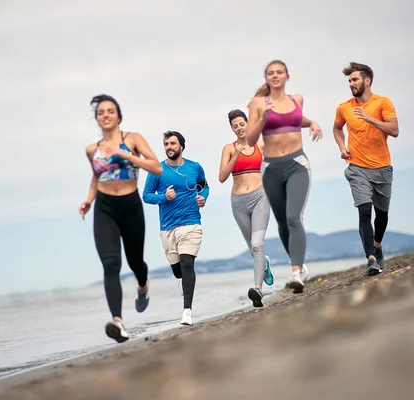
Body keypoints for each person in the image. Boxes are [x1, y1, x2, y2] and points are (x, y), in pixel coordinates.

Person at [78, 94, 163, 343]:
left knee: (135, 261)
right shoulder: (91, 149)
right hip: (105, 207)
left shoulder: (132, 139)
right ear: (97, 118)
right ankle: (118, 322)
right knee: (111, 263)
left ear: (118, 115)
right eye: (101, 112)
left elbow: (156, 167)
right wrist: (89, 199)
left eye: (110, 111)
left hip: (130, 205)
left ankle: (143, 284)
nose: (105, 115)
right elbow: (97, 176)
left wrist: (123, 154)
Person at [245, 60, 323, 294]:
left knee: (293, 217)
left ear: (287, 76)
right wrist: (262, 118)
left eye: (279, 72)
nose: (275, 76)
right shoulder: (258, 103)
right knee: (281, 222)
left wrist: (313, 122)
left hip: (297, 164)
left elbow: (296, 120)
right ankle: (297, 262)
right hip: (271, 168)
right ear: (266, 78)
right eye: (271, 73)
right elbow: (250, 139)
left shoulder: (296, 99)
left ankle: (296, 272)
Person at [333, 62, 399, 276]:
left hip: (382, 168)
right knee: (364, 211)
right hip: (357, 167)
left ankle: (377, 246)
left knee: (382, 215)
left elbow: (395, 130)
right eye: (349, 81)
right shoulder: (344, 107)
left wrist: (371, 119)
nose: (351, 84)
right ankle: (371, 259)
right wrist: (342, 147)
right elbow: (337, 128)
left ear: (367, 80)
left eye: (354, 79)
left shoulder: (383, 102)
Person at [142, 131, 209, 326]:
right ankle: (185, 286)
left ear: (181, 146)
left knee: (188, 264)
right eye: (166, 144)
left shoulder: (194, 167)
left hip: (191, 223)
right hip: (168, 227)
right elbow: (146, 195)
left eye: (172, 143)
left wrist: (203, 196)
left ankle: (187, 311)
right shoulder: (157, 170)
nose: (169, 147)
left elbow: (204, 186)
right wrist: (164, 197)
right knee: (179, 271)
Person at [218, 109, 275, 308]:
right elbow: (222, 177)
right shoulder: (228, 148)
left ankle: (257, 289)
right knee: (253, 247)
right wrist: (235, 156)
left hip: (260, 196)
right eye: (235, 126)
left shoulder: (259, 143)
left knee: (257, 244)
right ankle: (264, 264)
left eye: (242, 124)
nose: (239, 128)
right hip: (238, 202)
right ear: (232, 129)